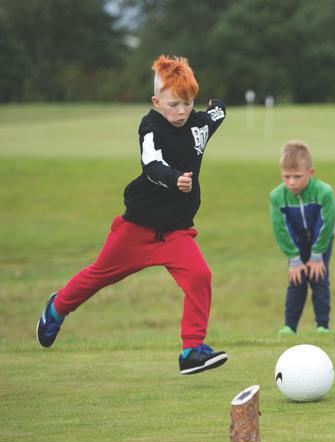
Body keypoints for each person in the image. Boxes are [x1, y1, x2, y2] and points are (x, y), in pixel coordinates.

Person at [36, 55, 229, 375]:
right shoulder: (150, 126)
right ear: (157, 101)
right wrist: (173, 178)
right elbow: (151, 165)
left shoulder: (198, 123)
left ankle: (192, 350)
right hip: (137, 229)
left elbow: (216, 114)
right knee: (98, 275)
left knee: (200, 277)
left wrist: (217, 105)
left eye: (187, 103)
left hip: (176, 232)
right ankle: (56, 310)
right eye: (173, 104)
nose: (181, 111)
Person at [269, 140, 335, 336]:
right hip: (294, 243)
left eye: (297, 176)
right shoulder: (277, 196)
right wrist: (294, 259)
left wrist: (316, 255)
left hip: (321, 241)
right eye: (286, 177)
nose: (291, 182)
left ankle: (322, 326)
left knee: (319, 277)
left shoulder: (324, 192)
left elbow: (326, 224)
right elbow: (281, 229)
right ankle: (290, 327)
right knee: (296, 279)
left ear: (310, 172)